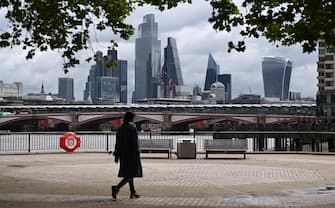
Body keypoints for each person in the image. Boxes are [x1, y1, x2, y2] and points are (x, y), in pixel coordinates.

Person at [110, 111, 142, 200]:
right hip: (132, 154)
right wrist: (137, 152)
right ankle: (116, 188)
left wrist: (116, 155)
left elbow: (118, 143)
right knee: (131, 173)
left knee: (129, 173)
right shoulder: (132, 127)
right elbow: (134, 142)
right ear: (131, 118)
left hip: (123, 154)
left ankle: (132, 192)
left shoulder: (121, 128)